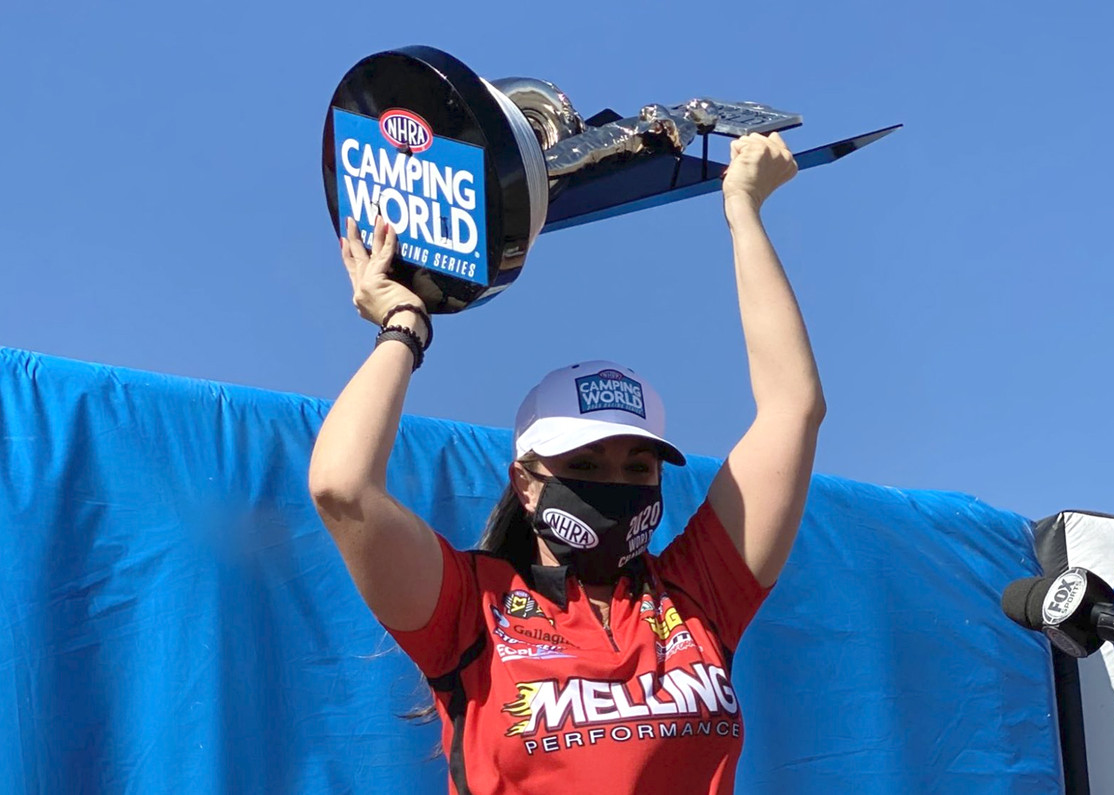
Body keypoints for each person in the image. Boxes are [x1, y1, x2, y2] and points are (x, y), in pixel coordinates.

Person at [309, 132, 824, 794]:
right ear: (525, 482)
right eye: (586, 462)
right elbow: (340, 488)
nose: (616, 484)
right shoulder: (473, 607)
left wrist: (742, 210)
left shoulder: (699, 595)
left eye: (638, 467)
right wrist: (403, 325)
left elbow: (793, 408)